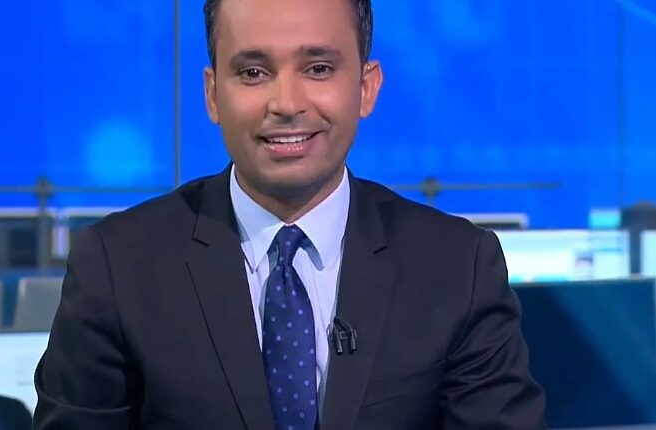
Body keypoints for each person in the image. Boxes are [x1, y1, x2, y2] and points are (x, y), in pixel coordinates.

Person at [33, 0, 546, 428]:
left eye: (318, 68)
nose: (286, 103)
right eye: (253, 72)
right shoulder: (119, 267)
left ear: (366, 87)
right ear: (213, 94)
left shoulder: (457, 266)